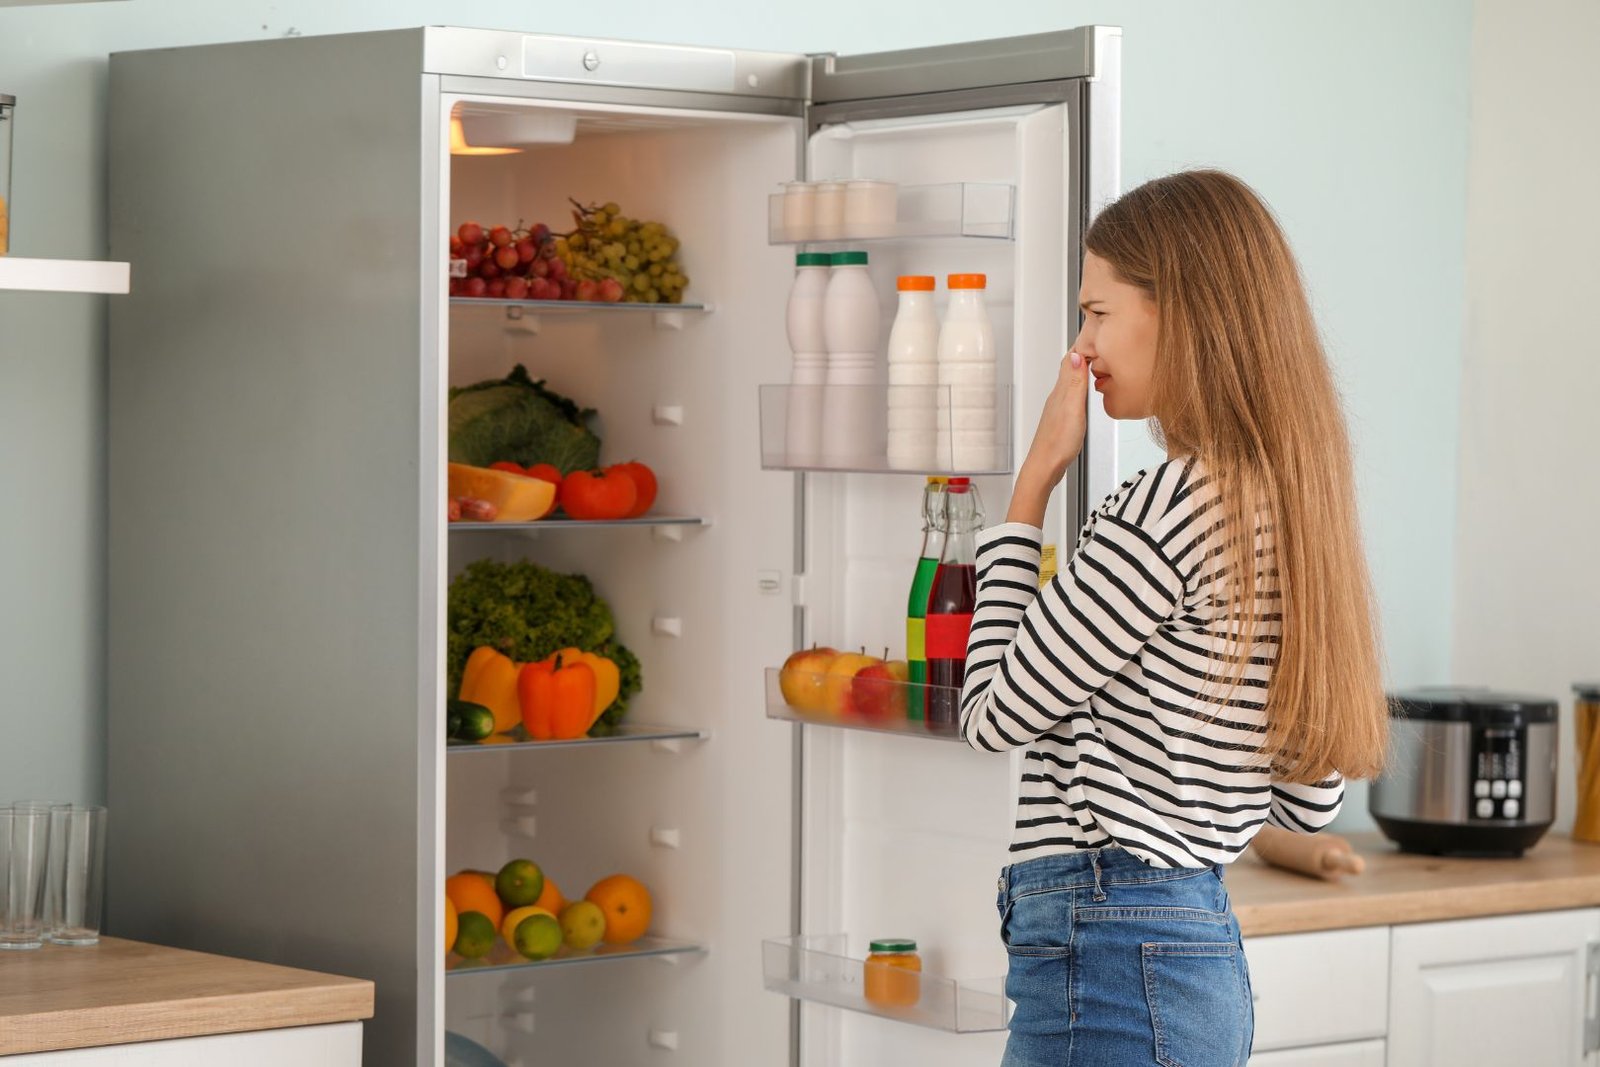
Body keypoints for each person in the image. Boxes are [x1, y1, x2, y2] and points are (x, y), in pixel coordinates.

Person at [960, 169, 1389, 1066]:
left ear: (1181, 311)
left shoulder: (1165, 509)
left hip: (1110, 947)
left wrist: (1029, 487)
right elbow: (1308, 800)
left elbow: (990, 712)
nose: (1082, 344)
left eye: (1097, 312)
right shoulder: (1290, 506)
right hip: (1196, 946)